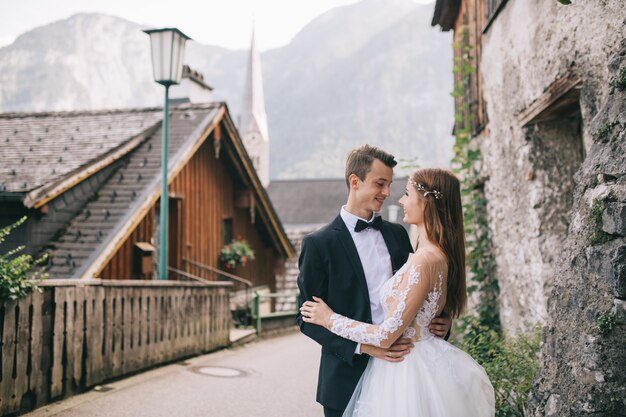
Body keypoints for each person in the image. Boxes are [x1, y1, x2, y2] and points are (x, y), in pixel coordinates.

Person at [300, 168, 495, 417]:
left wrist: (439, 322)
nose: (391, 195)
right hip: (346, 377)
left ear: (427, 202)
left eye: (400, 190)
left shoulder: (401, 238)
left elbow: (421, 300)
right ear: (355, 181)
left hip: (404, 373)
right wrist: (363, 347)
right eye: (380, 184)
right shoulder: (318, 243)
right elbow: (306, 316)